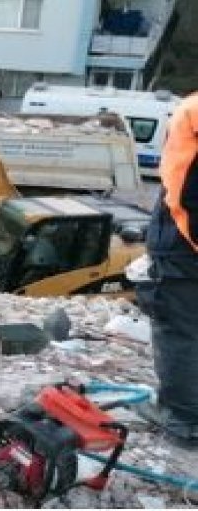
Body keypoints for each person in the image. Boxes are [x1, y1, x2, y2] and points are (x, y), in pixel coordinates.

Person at [137, 91, 198, 452]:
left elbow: (189, 193)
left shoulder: (193, 112)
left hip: (184, 248)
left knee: (180, 331)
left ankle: (184, 419)